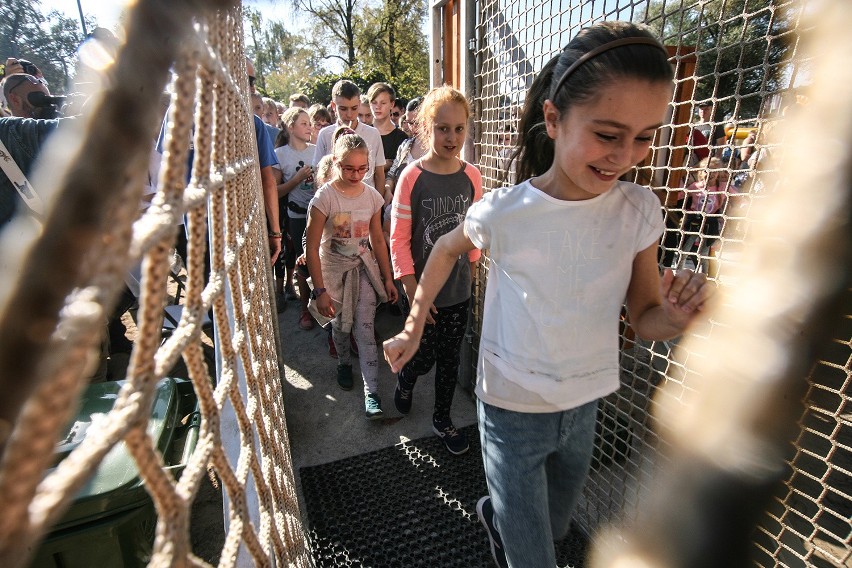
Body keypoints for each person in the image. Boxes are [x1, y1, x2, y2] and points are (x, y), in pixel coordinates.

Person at [383, 21, 713, 568]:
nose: (626, 155)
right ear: (555, 120)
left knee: (556, 526)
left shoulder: (638, 212)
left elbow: (646, 315)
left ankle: (497, 515)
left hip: (584, 403)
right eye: (608, 134)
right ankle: (510, 525)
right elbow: (442, 250)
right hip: (511, 407)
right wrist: (414, 325)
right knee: (533, 556)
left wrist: (677, 317)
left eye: (645, 135)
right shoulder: (506, 211)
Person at [389, 85, 483, 455]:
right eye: (443, 128)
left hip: (457, 292)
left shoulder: (471, 176)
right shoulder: (412, 177)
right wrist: (416, 296)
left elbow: (472, 234)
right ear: (428, 127)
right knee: (423, 357)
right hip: (421, 295)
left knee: (449, 358)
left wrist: (470, 276)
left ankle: (442, 418)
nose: (452, 137)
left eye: (459, 129)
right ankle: (406, 380)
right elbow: (398, 240)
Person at [306, 129, 398, 419]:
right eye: (349, 168)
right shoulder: (324, 198)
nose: (356, 174)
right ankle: (344, 363)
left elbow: (378, 241)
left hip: (363, 269)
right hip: (333, 272)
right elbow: (311, 247)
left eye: (362, 169)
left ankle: (372, 392)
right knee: (341, 326)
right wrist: (320, 290)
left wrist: (387, 278)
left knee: (366, 329)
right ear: (336, 162)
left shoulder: (371, 196)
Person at [273, 107, 316, 328]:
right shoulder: (280, 155)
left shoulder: (317, 150)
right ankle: (304, 309)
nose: (310, 127)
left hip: (319, 214)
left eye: (310, 123)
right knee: (302, 259)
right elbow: (275, 191)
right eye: (304, 123)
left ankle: (322, 305)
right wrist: (297, 179)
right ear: (290, 127)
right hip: (297, 215)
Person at [313, 80, 386, 197]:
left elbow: (379, 175)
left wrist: (379, 207)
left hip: (366, 203)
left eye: (354, 108)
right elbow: (318, 174)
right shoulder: (325, 134)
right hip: (334, 203)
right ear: (333, 106)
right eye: (343, 109)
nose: (349, 114)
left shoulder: (373, 133)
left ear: (360, 104)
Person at [368, 82, 408, 185]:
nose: (378, 107)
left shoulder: (402, 138)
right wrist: (383, 165)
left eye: (383, 103)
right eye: (374, 102)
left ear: (392, 104)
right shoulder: (363, 134)